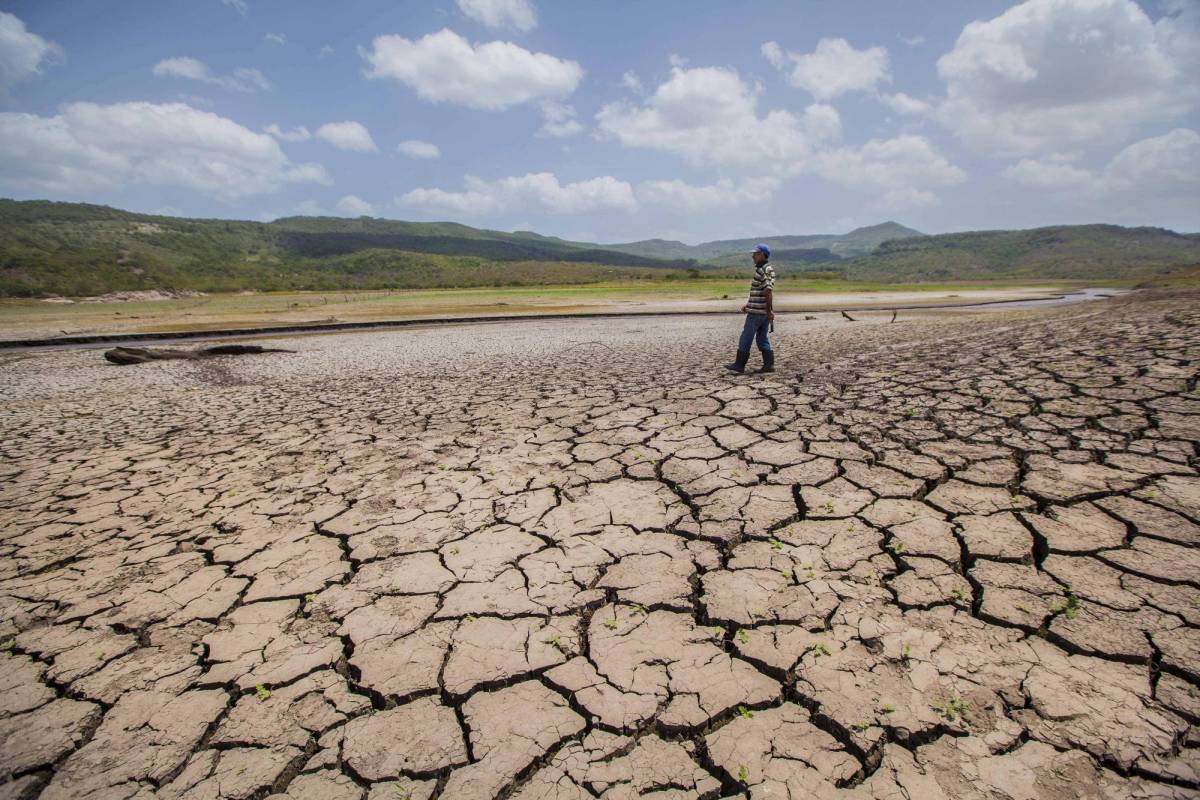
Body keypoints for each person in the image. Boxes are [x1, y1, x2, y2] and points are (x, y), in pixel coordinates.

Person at [726, 243, 775, 373]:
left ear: (762, 254)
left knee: (746, 337)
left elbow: (768, 291)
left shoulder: (763, 270)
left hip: (757, 313)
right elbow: (760, 291)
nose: (753, 256)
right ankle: (769, 366)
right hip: (762, 312)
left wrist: (769, 311)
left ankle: (739, 365)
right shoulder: (767, 268)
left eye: (755, 253)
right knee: (762, 338)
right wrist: (748, 305)